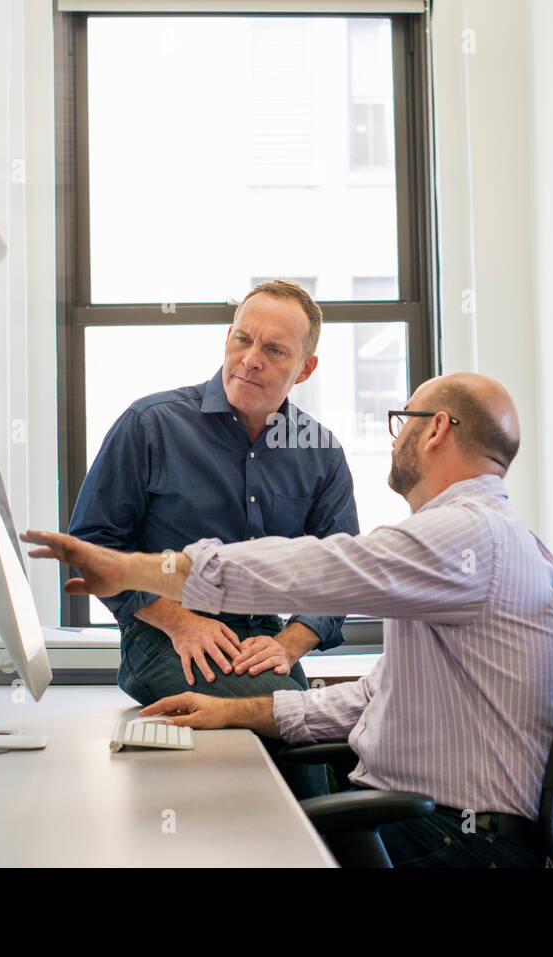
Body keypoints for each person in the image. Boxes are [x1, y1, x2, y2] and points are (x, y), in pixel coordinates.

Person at [27, 372, 553, 868]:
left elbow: (321, 567)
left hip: (454, 842)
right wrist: (235, 711)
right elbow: (377, 696)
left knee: (227, 844)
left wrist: (136, 568)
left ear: (434, 429)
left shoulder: (467, 535)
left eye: (400, 422)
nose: (394, 437)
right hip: (449, 828)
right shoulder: (494, 535)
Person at [67, 281, 358, 798]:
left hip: (263, 645)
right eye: (242, 340)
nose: (250, 360)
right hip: (162, 639)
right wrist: (180, 623)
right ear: (227, 338)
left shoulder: (322, 453)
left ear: (306, 369)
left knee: (320, 735)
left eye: (274, 350)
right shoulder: (150, 426)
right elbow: (90, 548)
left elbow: (339, 578)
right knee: (289, 728)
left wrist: (288, 645)